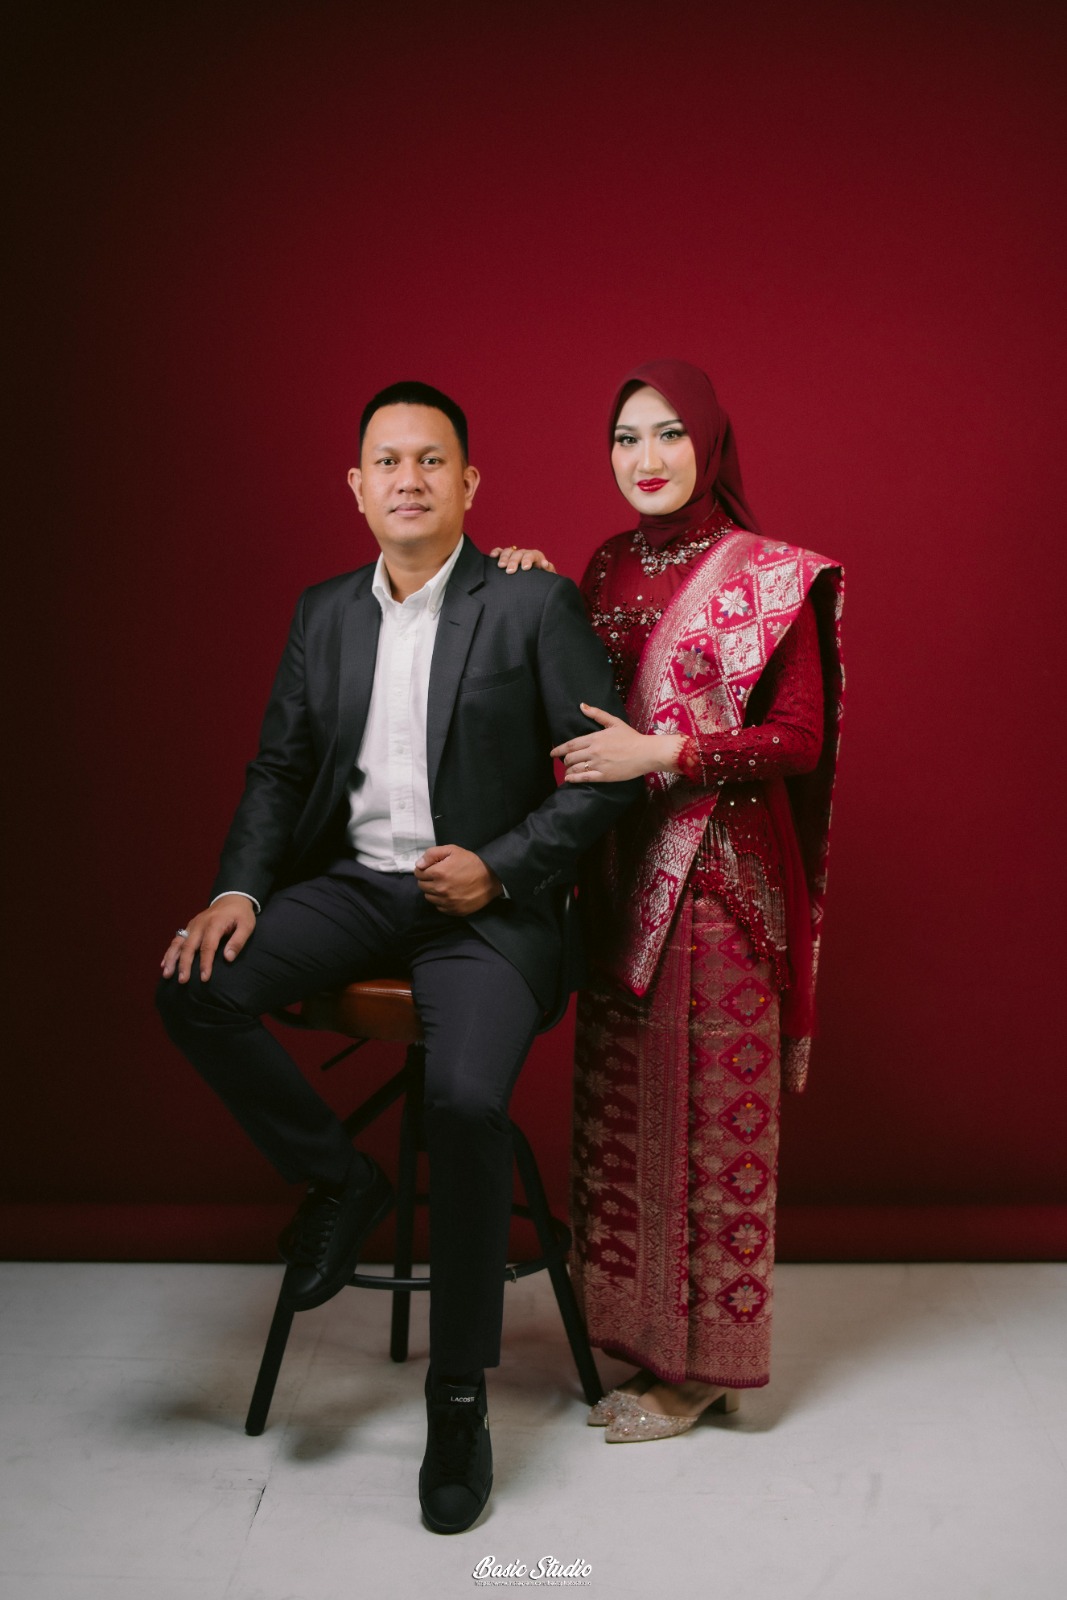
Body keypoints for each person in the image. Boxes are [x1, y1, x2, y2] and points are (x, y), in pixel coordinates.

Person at [156, 380, 641, 1529]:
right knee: (194, 983)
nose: (408, 479)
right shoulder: (322, 611)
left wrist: (501, 867)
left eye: (431, 460)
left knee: (466, 1100)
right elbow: (280, 771)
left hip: (489, 908)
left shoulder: (529, 602)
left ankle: (457, 1393)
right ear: (357, 487)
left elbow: (599, 778)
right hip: (359, 889)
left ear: (468, 483)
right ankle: (341, 1178)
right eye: (387, 461)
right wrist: (236, 890)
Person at [492, 359, 844, 1441]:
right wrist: (531, 588)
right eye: (624, 437)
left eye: (666, 434)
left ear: (709, 444)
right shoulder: (603, 565)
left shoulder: (768, 575)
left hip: (720, 878)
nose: (644, 458)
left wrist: (672, 752)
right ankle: (639, 1336)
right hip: (618, 874)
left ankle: (700, 1372)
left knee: (707, 1123)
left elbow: (798, 738)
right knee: (627, 1112)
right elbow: (580, 695)